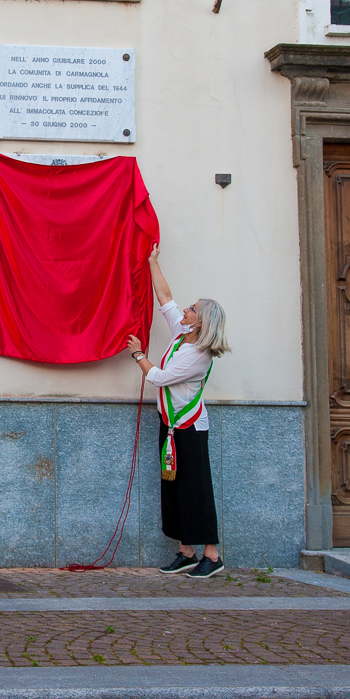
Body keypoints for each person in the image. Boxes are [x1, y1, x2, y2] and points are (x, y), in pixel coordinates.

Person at [127, 244, 230, 579]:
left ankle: (212, 555)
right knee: (173, 486)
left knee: (195, 488)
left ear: (201, 323)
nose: (184, 310)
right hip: (170, 424)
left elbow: (158, 376)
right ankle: (186, 552)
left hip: (188, 428)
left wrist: (138, 354)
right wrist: (153, 262)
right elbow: (165, 298)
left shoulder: (197, 355)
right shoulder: (184, 335)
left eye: (191, 309)